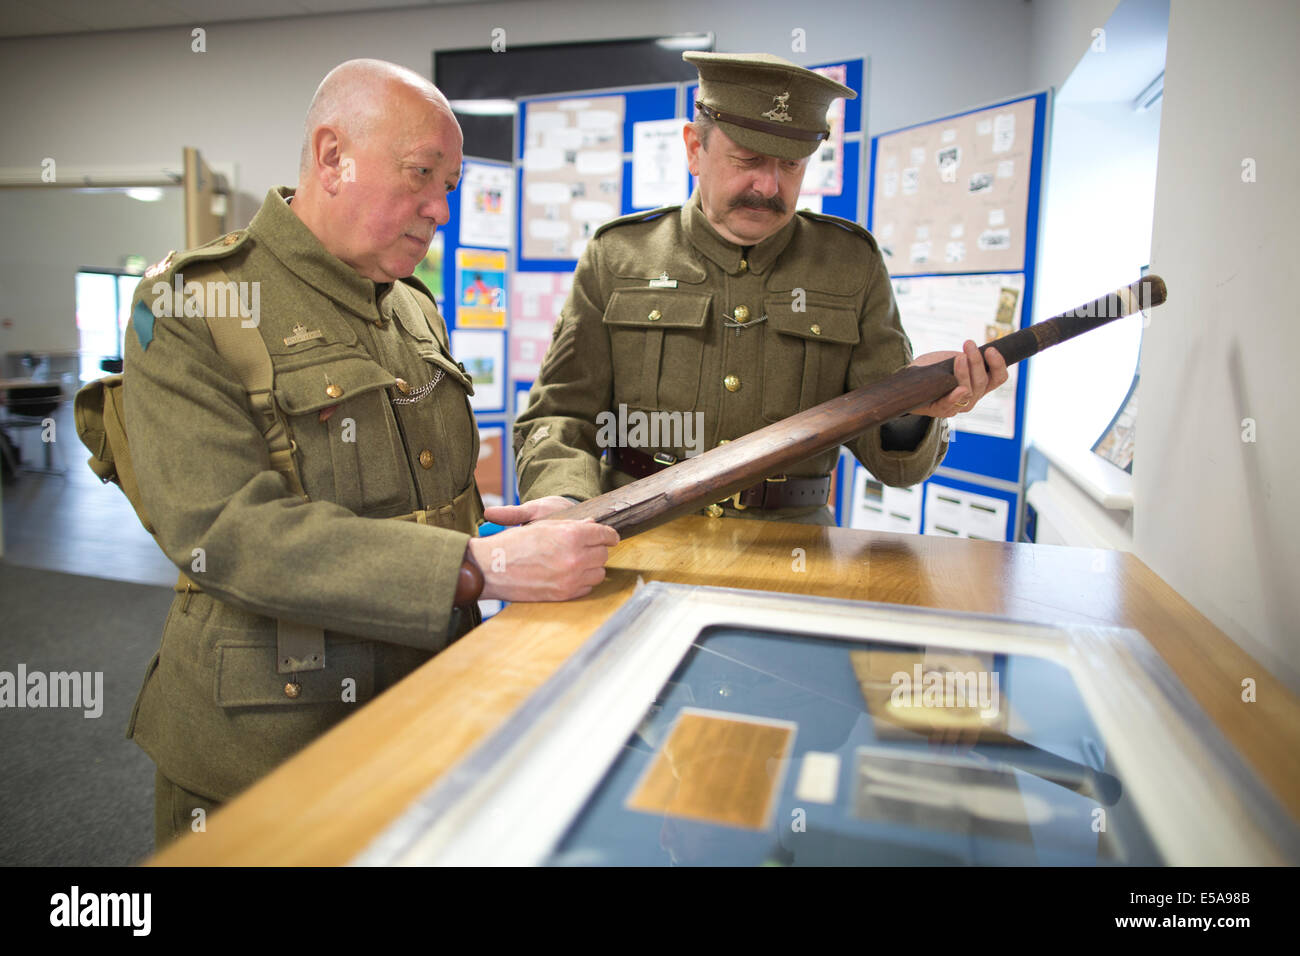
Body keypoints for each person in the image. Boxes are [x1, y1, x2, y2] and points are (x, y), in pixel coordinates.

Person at [122, 59, 617, 848]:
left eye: (451, 186)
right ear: (332, 157)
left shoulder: (413, 310)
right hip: (274, 740)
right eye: (422, 176)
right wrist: (477, 568)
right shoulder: (195, 305)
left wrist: (499, 526)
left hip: (430, 704)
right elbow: (226, 532)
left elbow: (410, 499)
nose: (440, 211)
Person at [514, 52, 1008, 523]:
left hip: (795, 548)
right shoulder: (620, 255)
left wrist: (914, 411)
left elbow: (892, 463)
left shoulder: (850, 264)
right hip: (641, 534)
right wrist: (566, 501)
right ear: (694, 148)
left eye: (790, 165)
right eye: (748, 159)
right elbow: (558, 417)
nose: (769, 187)